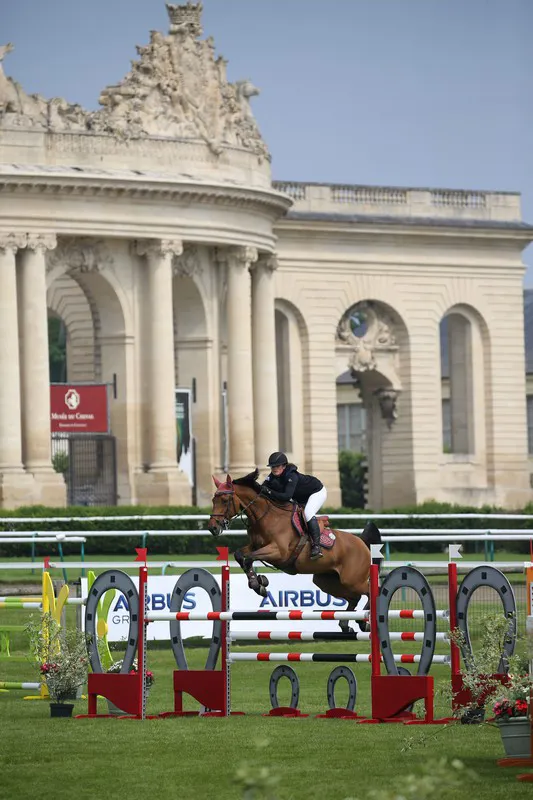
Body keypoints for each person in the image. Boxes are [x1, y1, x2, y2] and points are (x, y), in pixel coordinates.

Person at [261, 452, 327, 560]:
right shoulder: (272, 476)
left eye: (277, 466)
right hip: (302, 497)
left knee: (308, 513)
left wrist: (268, 491)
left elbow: (286, 496)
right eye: (272, 467)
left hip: (317, 492)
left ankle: (316, 546)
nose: (274, 469)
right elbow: (262, 488)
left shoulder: (292, 475)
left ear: (284, 466)